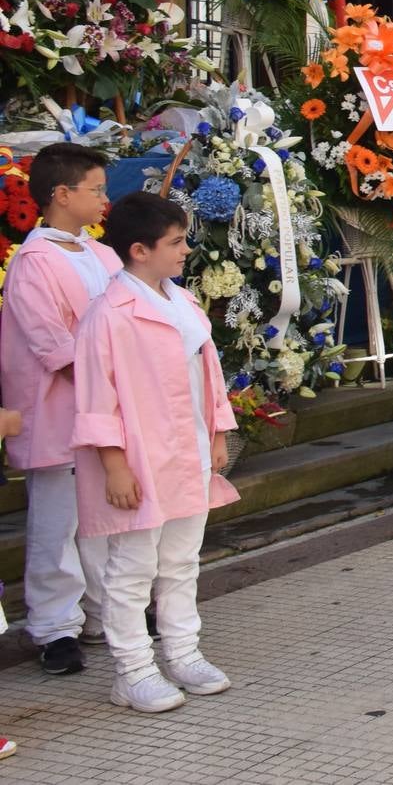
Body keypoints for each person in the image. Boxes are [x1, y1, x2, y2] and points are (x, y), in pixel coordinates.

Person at [71, 193, 237, 712]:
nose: (186, 250)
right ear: (139, 250)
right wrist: (115, 465)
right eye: (176, 242)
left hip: (188, 451)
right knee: (132, 569)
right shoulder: (109, 314)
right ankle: (133, 670)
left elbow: (207, 374)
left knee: (181, 560)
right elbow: (97, 396)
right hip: (142, 458)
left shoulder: (181, 300)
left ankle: (183, 653)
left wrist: (216, 432)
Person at [0, 143, 115, 677]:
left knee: (102, 521)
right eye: (95, 189)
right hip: (61, 410)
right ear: (62, 195)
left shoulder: (102, 254)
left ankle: (101, 613)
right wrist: (110, 380)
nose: (103, 199)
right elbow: (53, 345)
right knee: (57, 523)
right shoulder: (33, 262)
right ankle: (53, 627)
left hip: (107, 405)